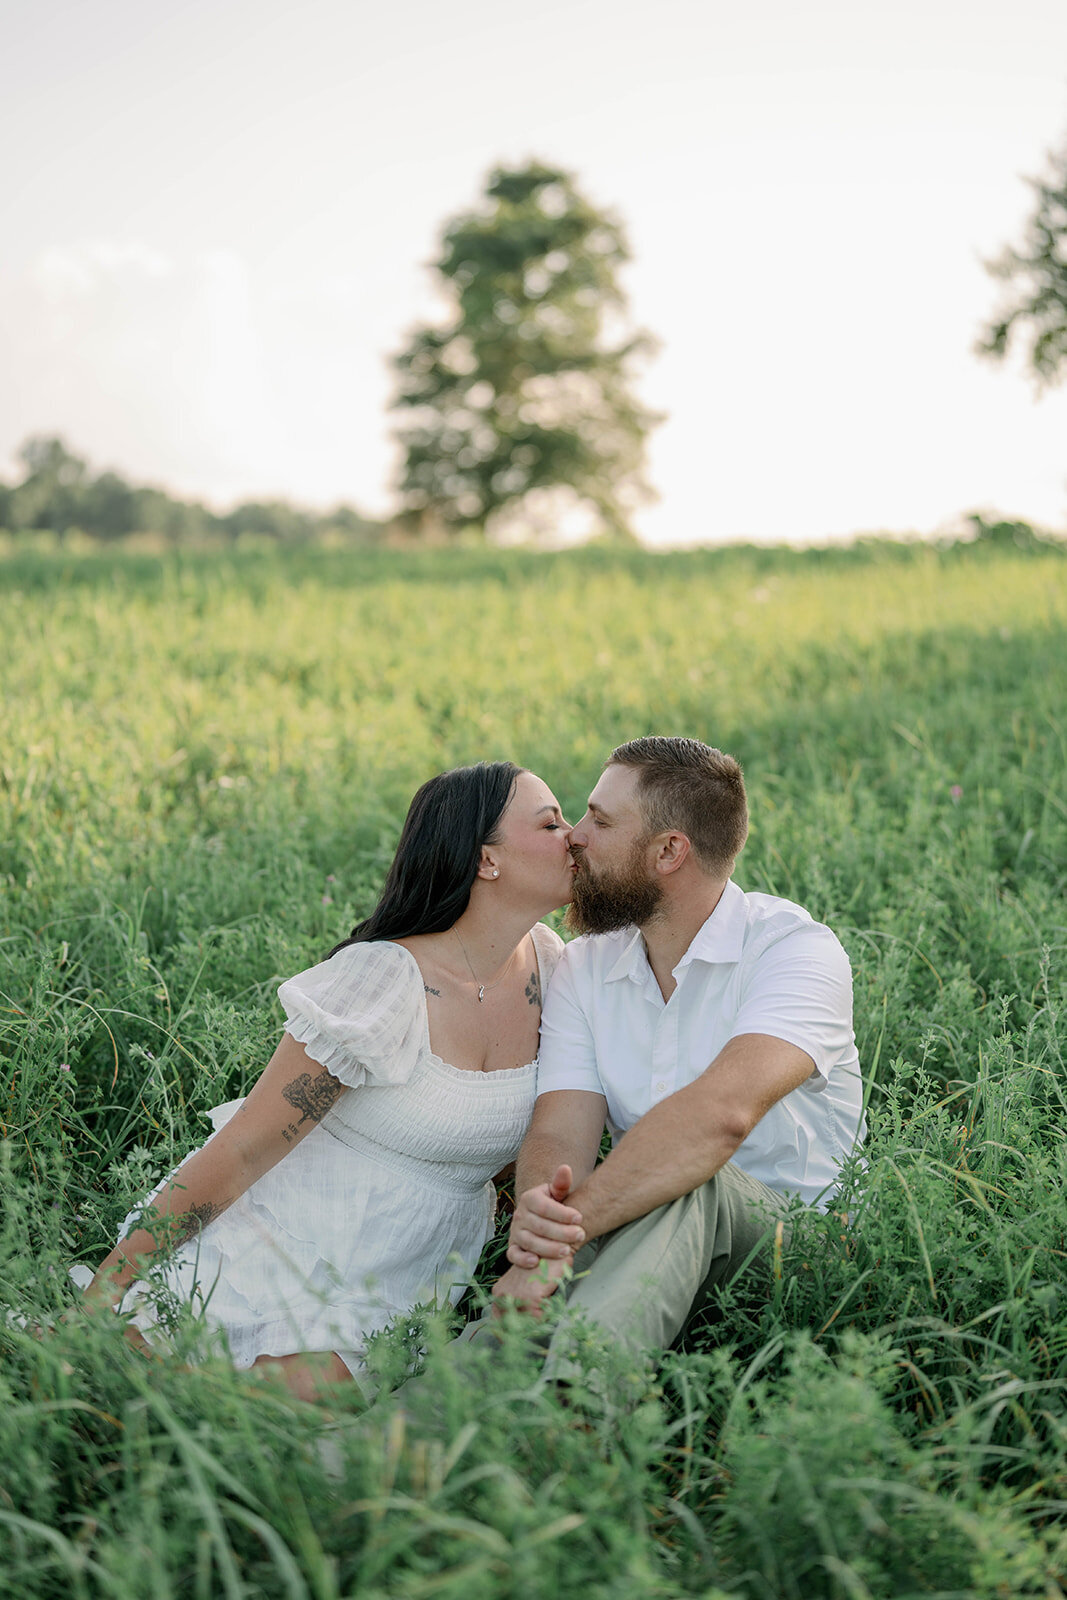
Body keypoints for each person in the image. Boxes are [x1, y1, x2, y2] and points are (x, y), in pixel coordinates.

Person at [81, 762, 576, 1399]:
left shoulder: (552, 966)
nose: (574, 836)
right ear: (487, 859)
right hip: (290, 1245)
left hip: (406, 1278)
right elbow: (241, 1149)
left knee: (288, 1430)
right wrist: (103, 1292)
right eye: (550, 822)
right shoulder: (382, 982)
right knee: (175, 1406)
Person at [489, 736, 864, 1369]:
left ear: (669, 851)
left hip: (795, 1249)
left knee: (693, 1175)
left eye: (600, 821)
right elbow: (560, 1129)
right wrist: (542, 1222)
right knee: (516, 1323)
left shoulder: (795, 952)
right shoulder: (585, 966)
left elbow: (719, 1118)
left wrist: (565, 1237)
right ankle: (392, 1443)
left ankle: (570, 1416)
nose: (574, 837)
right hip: (636, 1223)